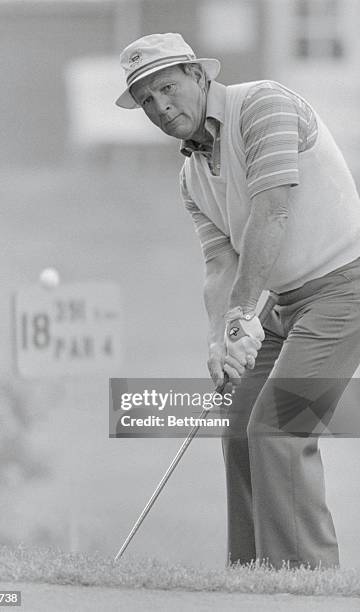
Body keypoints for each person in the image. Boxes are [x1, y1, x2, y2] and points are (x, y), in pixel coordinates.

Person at [115, 32, 360, 569]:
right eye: (147, 101)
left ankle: (305, 589)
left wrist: (243, 315)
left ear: (200, 75)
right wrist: (220, 337)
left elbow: (274, 212)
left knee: (280, 428)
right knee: (241, 427)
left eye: (168, 87)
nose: (161, 107)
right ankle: (252, 582)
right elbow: (220, 265)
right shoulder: (191, 175)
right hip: (282, 304)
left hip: (345, 291)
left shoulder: (263, 105)